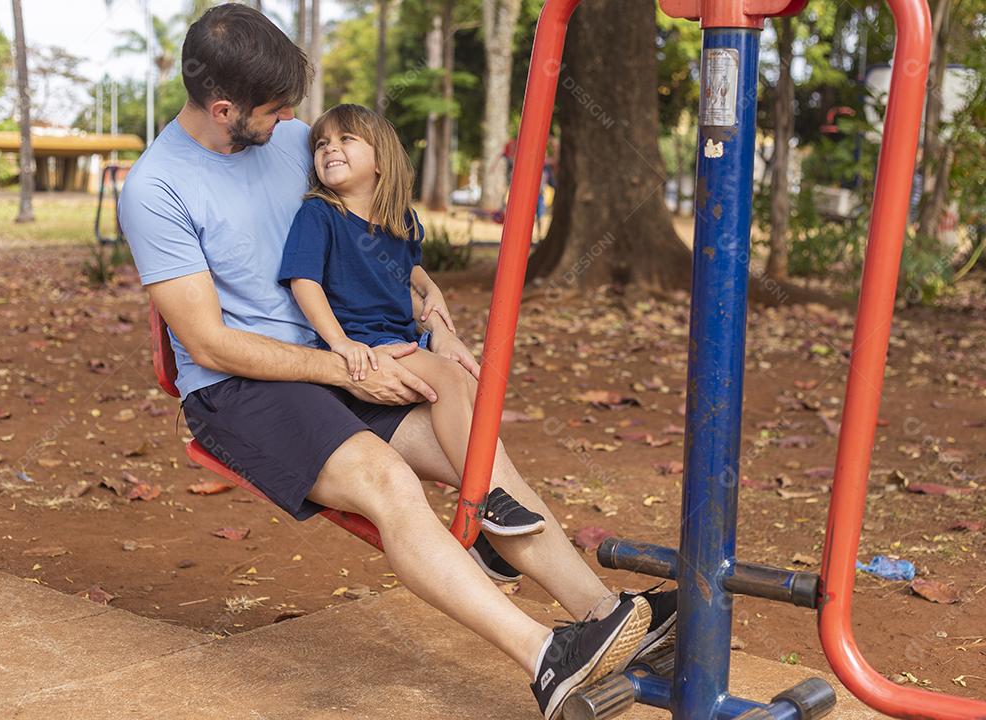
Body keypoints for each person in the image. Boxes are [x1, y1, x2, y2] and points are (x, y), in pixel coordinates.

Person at [117, 5, 677, 718]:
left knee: (476, 447)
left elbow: (377, 244)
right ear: (223, 108)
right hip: (242, 385)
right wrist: (349, 367)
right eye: (274, 108)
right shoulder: (157, 188)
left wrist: (434, 319)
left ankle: (606, 616)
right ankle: (546, 658)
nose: (293, 120)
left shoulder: (290, 144)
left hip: (341, 356)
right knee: (389, 483)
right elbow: (207, 343)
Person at [279, 103, 544, 536]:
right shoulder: (321, 214)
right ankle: (485, 499)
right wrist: (341, 342)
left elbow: (407, 268)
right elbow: (303, 281)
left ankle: (486, 521)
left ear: (380, 160)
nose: (330, 149)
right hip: (365, 345)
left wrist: (431, 289)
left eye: (346, 139)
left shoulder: (399, 219)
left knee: (475, 383)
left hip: (402, 338)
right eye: (322, 144)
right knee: (448, 376)